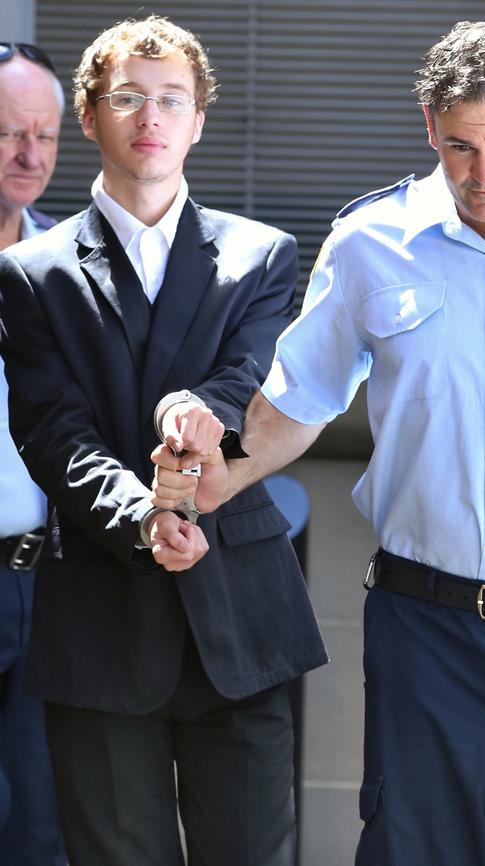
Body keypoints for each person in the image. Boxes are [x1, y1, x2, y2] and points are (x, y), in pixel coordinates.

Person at [151, 13, 485, 866]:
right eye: (460, 147)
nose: (483, 174)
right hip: (428, 635)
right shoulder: (372, 242)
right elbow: (291, 404)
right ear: (430, 129)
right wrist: (204, 488)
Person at [0, 15, 327, 866]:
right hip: (103, 621)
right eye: (129, 98)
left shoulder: (262, 255)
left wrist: (197, 411)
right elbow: (52, 431)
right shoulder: (34, 275)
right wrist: (144, 515)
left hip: (238, 619)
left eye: (172, 100)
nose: (151, 116)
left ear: (199, 120)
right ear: (89, 115)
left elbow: (243, 378)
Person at [0, 42, 66, 866]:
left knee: (43, 833)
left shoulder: (66, 264)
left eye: (45, 135)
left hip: (48, 581)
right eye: (11, 131)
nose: (30, 155)